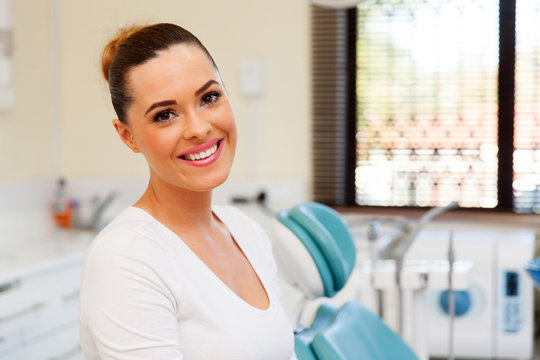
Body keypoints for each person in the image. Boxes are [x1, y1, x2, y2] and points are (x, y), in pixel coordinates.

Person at [78, 23, 296, 359]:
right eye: (165, 115)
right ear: (128, 136)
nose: (198, 128)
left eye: (209, 97)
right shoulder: (126, 258)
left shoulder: (246, 232)